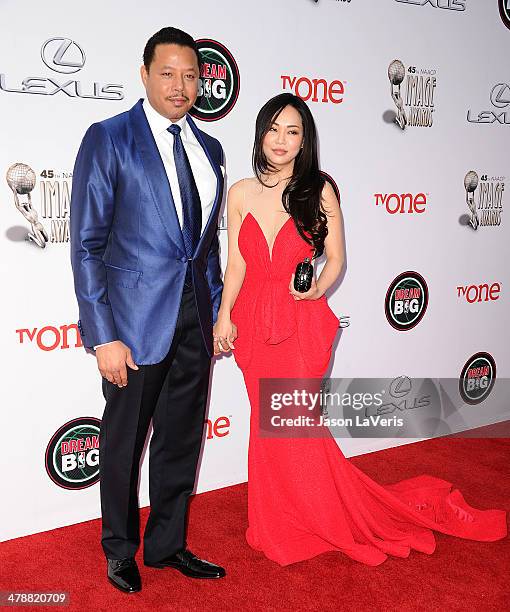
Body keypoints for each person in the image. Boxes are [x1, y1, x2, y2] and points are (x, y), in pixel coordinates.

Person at [213, 92, 507, 567]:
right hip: (251, 322)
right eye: (274, 129)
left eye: (293, 131)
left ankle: (319, 514)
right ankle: (279, 519)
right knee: (267, 427)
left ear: (305, 140)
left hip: (299, 324)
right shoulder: (241, 192)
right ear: (260, 133)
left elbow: (338, 259)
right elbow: (237, 264)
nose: (281, 140)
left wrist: (314, 292)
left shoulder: (318, 189)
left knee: (293, 423)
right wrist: (224, 314)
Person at [70, 27, 226, 593]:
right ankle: (119, 549)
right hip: (133, 328)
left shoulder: (210, 150)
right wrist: (102, 335)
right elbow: (86, 244)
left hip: (195, 324)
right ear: (144, 74)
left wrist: (217, 314)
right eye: (168, 73)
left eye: (191, 75)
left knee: (181, 439)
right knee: (123, 442)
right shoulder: (109, 138)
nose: (181, 86)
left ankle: (167, 545)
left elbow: (203, 249)